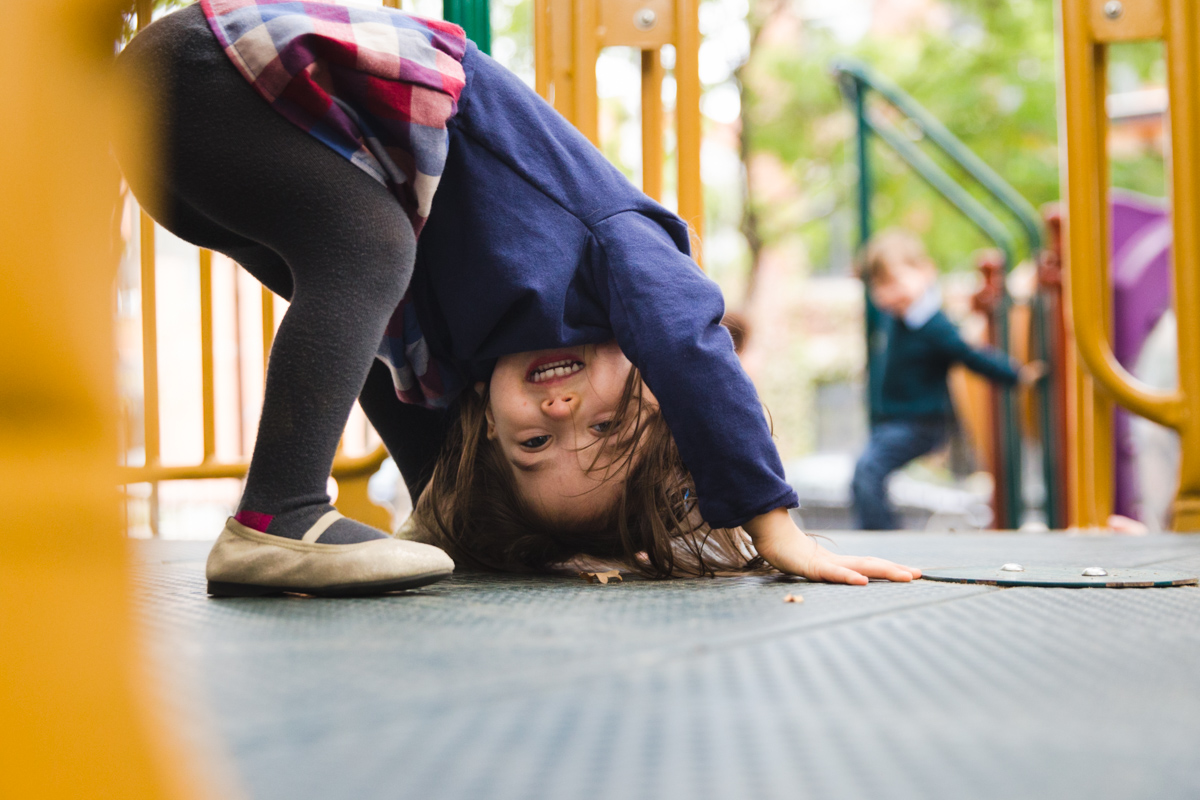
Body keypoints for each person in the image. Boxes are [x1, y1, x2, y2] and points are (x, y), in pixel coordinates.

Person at [115, 0, 920, 596]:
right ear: (657, 390)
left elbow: (371, 370)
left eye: (532, 449)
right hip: (221, 72)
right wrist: (770, 519)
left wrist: (440, 522)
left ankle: (306, 512)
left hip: (196, 147)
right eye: (609, 424)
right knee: (371, 252)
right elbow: (686, 338)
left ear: (491, 436)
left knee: (364, 296)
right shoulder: (618, 248)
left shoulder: (457, 346)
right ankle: (276, 511)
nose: (565, 416)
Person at [852, 229, 1042, 530]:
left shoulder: (934, 326)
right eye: (878, 286)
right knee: (864, 476)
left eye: (894, 282)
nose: (887, 294)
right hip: (892, 421)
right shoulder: (894, 318)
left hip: (920, 423)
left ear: (926, 272)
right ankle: (881, 533)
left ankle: (881, 541)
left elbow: (971, 356)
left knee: (867, 471)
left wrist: (1018, 374)